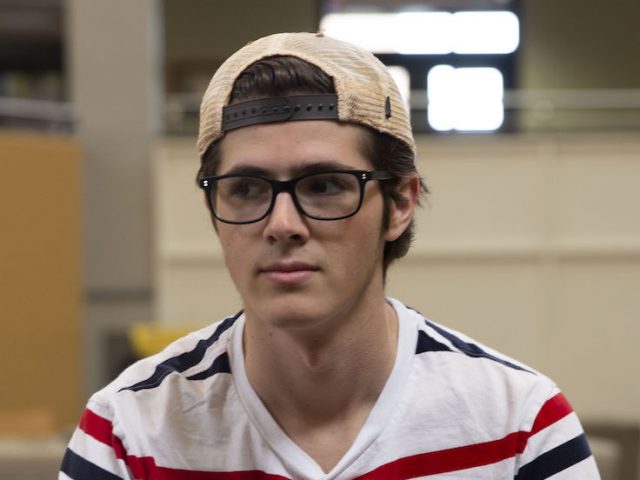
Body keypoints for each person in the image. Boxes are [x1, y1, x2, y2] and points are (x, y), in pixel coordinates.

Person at [60, 32, 600, 479]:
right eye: (246, 189)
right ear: (212, 208)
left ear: (400, 204)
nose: (283, 224)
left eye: (324, 186)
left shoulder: (519, 427)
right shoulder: (129, 433)